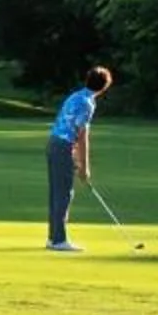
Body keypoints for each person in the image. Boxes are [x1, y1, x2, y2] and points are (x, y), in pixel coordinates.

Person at [46, 66, 110, 252]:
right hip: (63, 146)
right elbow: (82, 135)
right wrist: (84, 166)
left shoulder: (76, 96)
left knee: (57, 193)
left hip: (54, 143)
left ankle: (54, 237)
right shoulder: (87, 103)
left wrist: (74, 156)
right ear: (104, 87)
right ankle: (58, 240)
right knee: (64, 193)